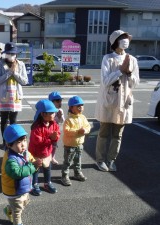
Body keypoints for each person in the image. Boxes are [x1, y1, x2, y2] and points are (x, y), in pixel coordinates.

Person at [95, 30, 140, 172]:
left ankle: (111, 159)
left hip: (124, 101)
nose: (126, 40)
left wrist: (130, 73)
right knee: (103, 133)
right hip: (109, 101)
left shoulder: (132, 59)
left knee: (117, 135)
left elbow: (135, 82)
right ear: (115, 41)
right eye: (122, 38)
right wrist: (120, 71)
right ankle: (100, 160)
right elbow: (105, 81)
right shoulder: (108, 59)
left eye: (127, 38)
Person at [1, 124, 42, 225]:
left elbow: (30, 158)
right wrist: (33, 167)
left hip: (22, 186)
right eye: (19, 142)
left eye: (24, 140)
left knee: (25, 202)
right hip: (13, 190)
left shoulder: (24, 152)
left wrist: (35, 161)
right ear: (9, 145)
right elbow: (17, 172)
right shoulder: (10, 159)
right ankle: (17, 222)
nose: (23, 144)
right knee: (18, 210)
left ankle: (9, 208)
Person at [0, 42, 28, 148]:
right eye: (9, 53)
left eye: (13, 53)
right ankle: (5, 142)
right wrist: (9, 73)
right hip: (4, 96)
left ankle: (13, 141)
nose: (11, 55)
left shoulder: (21, 64)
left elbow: (25, 81)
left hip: (16, 97)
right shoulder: (0, 64)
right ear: (5, 54)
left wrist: (15, 73)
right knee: (4, 120)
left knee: (13, 121)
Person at [29, 99, 60, 196]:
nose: (54, 115)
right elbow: (37, 141)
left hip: (47, 152)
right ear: (43, 114)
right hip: (36, 153)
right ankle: (34, 184)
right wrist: (50, 139)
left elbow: (57, 133)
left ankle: (47, 183)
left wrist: (55, 137)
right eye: (51, 113)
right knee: (35, 169)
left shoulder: (53, 124)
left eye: (54, 112)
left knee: (47, 168)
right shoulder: (36, 127)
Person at [60, 96, 91, 186]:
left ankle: (77, 173)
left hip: (79, 144)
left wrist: (85, 131)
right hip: (70, 145)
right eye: (78, 106)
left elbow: (88, 126)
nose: (80, 108)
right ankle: (64, 176)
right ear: (71, 108)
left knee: (78, 161)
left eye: (82, 106)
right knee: (68, 161)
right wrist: (77, 132)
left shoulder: (83, 117)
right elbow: (66, 131)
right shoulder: (68, 120)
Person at [48, 91, 65, 165]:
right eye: (57, 101)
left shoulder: (60, 110)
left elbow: (62, 121)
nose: (60, 102)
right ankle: (46, 157)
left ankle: (52, 157)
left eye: (60, 100)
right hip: (48, 131)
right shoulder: (48, 110)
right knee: (47, 144)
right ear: (51, 102)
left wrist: (60, 116)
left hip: (55, 131)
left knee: (54, 145)